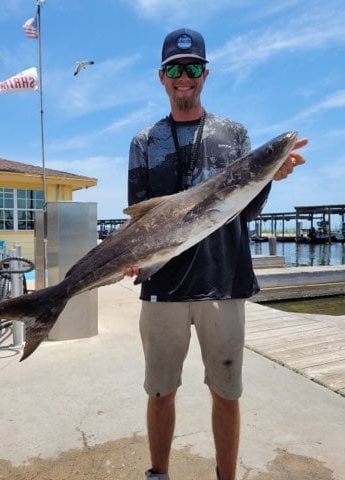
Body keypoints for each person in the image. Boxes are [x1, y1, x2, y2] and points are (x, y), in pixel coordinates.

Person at [125, 28, 307, 480]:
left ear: (204, 73)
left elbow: (245, 210)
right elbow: (138, 219)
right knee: (160, 392)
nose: (183, 77)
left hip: (224, 285)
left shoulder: (235, 134)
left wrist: (271, 177)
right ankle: (159, 474)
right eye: (174, 69)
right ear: (161, 77)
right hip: (162, 288)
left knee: (227, 392)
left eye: (191, 68)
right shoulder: (145, 141)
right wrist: (133, 259)